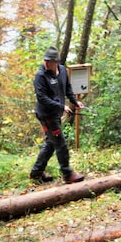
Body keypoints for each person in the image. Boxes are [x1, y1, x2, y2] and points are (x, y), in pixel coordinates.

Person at [29, 46, 86, 184]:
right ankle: (67, 174)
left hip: (55, 114)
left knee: (50, 143)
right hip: (46, 115)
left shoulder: (62, 71)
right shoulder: (40, 76)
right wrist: (62, 106)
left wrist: (74, 101)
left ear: (56, 61)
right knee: (60, 144)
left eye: (50, 61)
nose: (46, 63)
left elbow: (67, 88)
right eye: (45, 61)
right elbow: (42, 98)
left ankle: (36, 172)